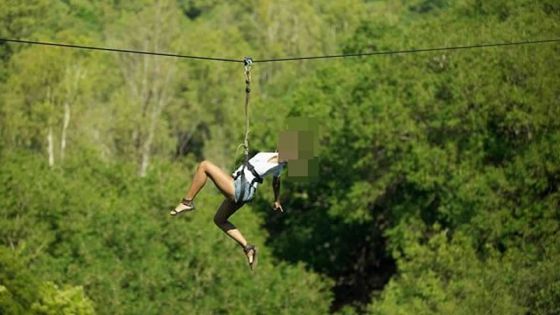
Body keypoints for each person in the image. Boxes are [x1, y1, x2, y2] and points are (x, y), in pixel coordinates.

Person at [169, 151, 287, 270]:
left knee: (204, 166)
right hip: (245, 191)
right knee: (220, 220)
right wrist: (276, 200)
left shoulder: (279, 163)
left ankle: (187, 202)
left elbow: (278, 173)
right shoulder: (272, 158)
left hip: (241, 188)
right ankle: (248, 248)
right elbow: (276, 182)